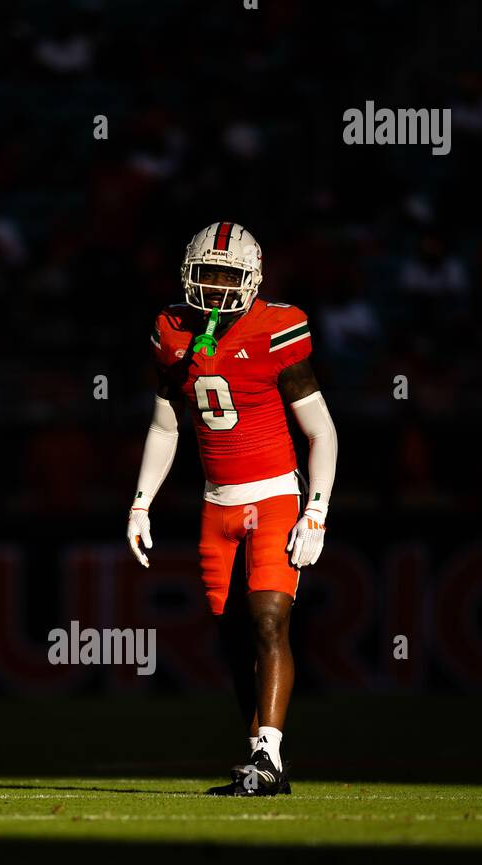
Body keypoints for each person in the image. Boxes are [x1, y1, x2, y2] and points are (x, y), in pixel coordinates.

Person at [127, 222, 338, 796]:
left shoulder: (276, 329)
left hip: (274, 494)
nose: (217, 288)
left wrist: (315, 510)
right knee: (234, 639)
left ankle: (269, 753)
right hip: (216, 503)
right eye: (208, 275)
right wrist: (141, 504)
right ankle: (261, 760)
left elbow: (321, 431)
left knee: (269, 618)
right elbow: (165, 426)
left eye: (228, 276)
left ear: (252, 279)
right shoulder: (171, 331)